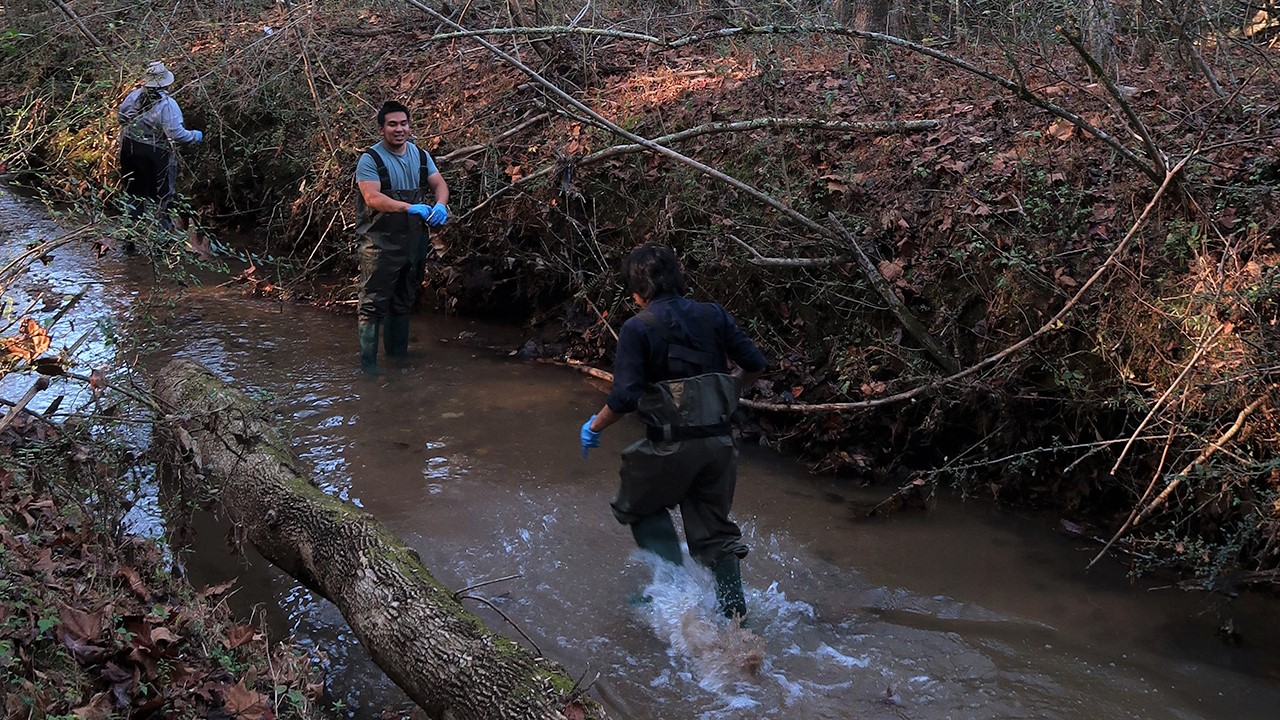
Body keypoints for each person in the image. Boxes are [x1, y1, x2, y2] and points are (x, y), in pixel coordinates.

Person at [580, 243, 767, 621]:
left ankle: (672, 591)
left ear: (637, 294)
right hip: (719, 444)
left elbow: (625, 397)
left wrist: (593, 426)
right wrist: (728, 390)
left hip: (670, 445)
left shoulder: (637, 328)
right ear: (679, 280)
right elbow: (754, 363)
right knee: (716, 535)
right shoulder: (713, 315)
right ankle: (736, 618)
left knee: (637, 503)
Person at [353, 100, 449, 375]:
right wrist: (408, 207)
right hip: (379, 245)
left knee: (403, 301)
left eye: (403, 123)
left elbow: (439, 184)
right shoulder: (370, 159)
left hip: (413, 243)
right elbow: (372, 197)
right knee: (372, 305)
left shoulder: (420, 156)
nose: (399, 129)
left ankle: (397, 361)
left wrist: (440, 204)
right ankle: (369, 369)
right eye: (392, 124)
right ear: (381, 128)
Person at [117, 61, 203, 227]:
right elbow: (176, 134)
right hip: (155, 154)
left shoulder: (133, 96)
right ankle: (161, 238)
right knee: (162, 195)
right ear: (166, 82)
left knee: (133, 192)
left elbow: (122, 118)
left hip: (129, 149)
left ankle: (130, 235)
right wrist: (195, 136)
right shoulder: (168, 104)